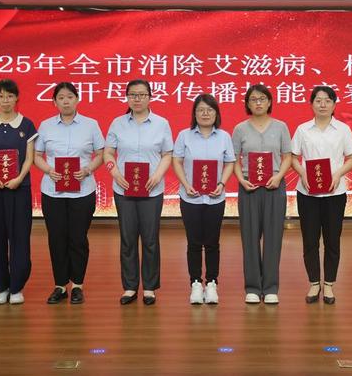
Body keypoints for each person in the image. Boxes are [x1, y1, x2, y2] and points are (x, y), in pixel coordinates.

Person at [103, 80, 173, 306]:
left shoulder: (161, 123)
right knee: (128, 239)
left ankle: (150, 287)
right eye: (133, 95)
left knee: (150, 239)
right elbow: (108, 153)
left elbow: (167, 154)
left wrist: (158, 175)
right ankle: (130, 286)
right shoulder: (117, 123)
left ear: (150, 97)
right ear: (127, 97)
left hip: (152, 190)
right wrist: (115, 173)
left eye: (142, 95)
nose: (137, 99)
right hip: (124, 189)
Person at [34, 82, 104, 305]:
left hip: (82, 191)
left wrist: (88, 169)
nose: (66, 101)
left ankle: (77, 286)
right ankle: (60, 285)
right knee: (56, 238)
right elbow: (36, 155)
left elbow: (101, 153)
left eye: (70, 97)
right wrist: (49, 170)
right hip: (52, 192)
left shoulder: (91, 125)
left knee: (78, 239)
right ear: (54, 102)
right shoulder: (45, 126)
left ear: (77, 99)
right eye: (61, 98)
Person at [291, 86, 352, 305]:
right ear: (311, 104)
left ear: (334, 104)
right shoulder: (302, 129)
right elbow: (293, 157)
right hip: (307, 192)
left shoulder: (343, 130)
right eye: (318, 100)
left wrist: (338, 174)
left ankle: (328, 284)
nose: (322, 104)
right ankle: (313, 283)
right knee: (310, 240)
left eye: (327, 100)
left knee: (332, 240)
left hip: (335, 193)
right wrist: (303, 174)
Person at [0, 79, 37, 305]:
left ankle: (17, 287)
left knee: (20, 237)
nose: (5, 100)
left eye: (10, 96)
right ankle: (1, 286)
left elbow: (29, 157)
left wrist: (19, 178)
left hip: (19, 189)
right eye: (1, 96)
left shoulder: (26, 125)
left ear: (16, 98)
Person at [172, 94, 236, 305]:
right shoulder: (184, 136)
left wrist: (222, 184)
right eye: (200, 110)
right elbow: (177, 161)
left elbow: (229, 162)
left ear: (216, 113)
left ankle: (212, 283)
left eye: (209, 110)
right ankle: (195, 283)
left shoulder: (224, 137)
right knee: (193, 242)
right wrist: (186, 184)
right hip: (190, 197)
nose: (205, 113)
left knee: (212, 242)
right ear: (194, 113)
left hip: (215, 198)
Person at [232, 84, 292, 304]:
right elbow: (234, 159)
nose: (258, 103)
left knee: (274, 238)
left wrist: (278, 177)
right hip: (249, 188)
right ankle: (252, 287)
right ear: (247, 104)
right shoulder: (240, 129)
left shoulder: (281, 127)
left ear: (269, 102)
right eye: (253, 99)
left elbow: (287, 156)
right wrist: (241, 180)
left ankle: (271, 287)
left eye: (262, 99)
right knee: (249, 237)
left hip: (274, 187)